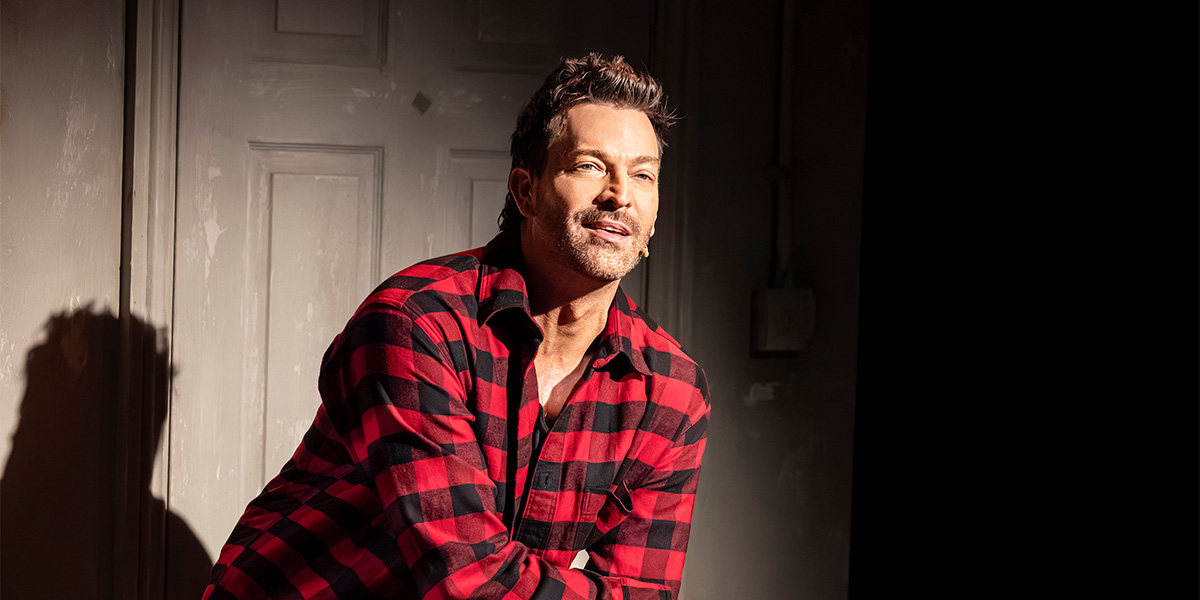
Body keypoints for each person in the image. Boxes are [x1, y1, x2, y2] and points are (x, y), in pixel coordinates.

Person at [203, 53, 710, 600]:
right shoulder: (416, 323)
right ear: (526, 191)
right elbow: (466, 581)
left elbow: (646, 591)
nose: (620, 195)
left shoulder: (671, 392)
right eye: (590, 166)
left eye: (643, 175)